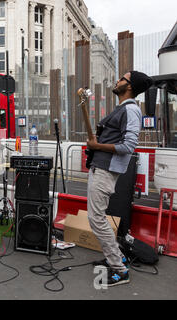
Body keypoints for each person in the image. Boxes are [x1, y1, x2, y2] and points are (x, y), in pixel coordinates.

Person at [87, 70, 153, 286]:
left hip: (106, 170)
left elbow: (128, 146)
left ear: (130, 86)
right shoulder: (122, 109)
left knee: (96, 219)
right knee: (98, 217)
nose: (118, 80)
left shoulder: (132, 110)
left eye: (122, 78)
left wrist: (97, 145)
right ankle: (116, 257)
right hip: (100, 167)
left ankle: (119, 268)